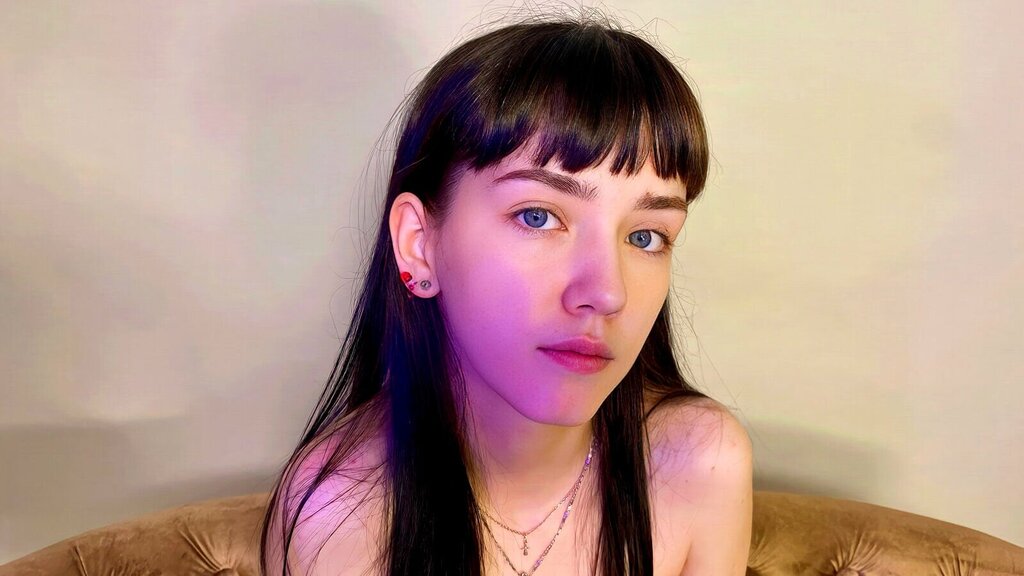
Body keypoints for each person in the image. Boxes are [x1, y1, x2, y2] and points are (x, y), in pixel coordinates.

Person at [261, 12, 752, 576]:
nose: (606, 293)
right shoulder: (333, 516)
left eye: (645, 236)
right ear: (419, 244)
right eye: (538, 216)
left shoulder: (701, 466)